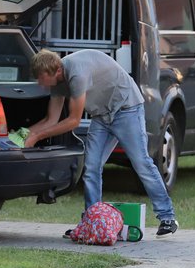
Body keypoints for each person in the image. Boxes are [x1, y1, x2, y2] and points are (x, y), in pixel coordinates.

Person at [25, 49, 178, 236]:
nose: (40, 84)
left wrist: (37, 137)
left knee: (142, 163)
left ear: (56, 71)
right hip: (102, 116)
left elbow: (73, 121)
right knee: (91, 167)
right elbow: (51, 119)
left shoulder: (76, 74)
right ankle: (91, 223)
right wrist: (24, 134)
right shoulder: (57, 79)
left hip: (126, 108)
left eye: (41, 78)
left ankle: (167, 217)